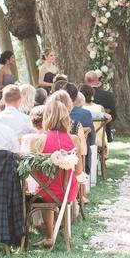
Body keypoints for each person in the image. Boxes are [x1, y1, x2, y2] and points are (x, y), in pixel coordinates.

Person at [31, 97, 87, 247]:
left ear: (46, 117)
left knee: (45, 189)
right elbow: (79, 170)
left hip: (45, 191)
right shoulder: (74, 139)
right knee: (59, 187)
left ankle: (50, 235)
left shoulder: (38, 140)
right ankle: (61, 225)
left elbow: (33, 170)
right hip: (68, 190)